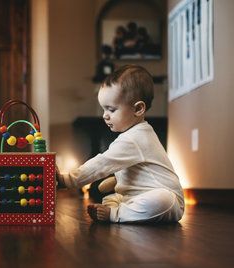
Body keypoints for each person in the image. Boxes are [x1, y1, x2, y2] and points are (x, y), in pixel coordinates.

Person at [56, 65, 184, 223]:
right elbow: (132, 171)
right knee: (112, 198)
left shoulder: (136, 137)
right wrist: (117, 181)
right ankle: (119, 209)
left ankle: (115, 214)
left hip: (167, 200)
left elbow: (101, 165)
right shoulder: (133, 134)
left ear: (138, 109)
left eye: (111, 110)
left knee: (164, 200)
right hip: (134, 196)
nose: (105, 116)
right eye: (103, 110)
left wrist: (66, 180)